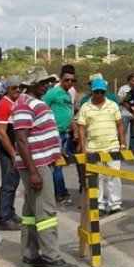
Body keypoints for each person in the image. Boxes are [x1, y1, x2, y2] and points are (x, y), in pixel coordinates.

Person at [12, 66, 79, 267]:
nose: (46, 85)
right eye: (41, 82)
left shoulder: (35, 102)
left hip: (42, 162)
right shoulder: (24, 104)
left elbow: (42, 132)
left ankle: (30, 255)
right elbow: (21, 139)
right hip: (37, 165)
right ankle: (52, 258)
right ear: (31, 84)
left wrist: (57, 150)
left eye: (47, 82)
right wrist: (33, 172)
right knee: (47, 211)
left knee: (32, 212)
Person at [77, 77, 126, 215]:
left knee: (114, 176)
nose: (99, 95)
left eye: (101, 92)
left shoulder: (112, 105)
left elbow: (119, 124)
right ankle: (99, 204)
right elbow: (81, 127)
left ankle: (114, 203)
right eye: (96, 92)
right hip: (93, 146)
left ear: (105, 92)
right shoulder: (85, 107)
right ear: (92, 92)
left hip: (112, 145)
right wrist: (82, 146)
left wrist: (122, 143)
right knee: (96, 177)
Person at [42, 64, 75, 206]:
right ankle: (61, 193)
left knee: (59, 165)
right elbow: (42, 108)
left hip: (65, 133)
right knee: (57, 165)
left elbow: (69, 112)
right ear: (61, 79)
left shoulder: (67, 94)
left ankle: (56, 191)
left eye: (71, 80)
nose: (69, 83)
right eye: (66, 80)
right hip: (55, 134)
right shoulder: (53, 93)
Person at [0, 75, 22, 231]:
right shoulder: (4, 105)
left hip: (15, 150)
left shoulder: (16, 102)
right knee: (8, 184)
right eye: (14, 87)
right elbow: (2, 133)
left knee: (13, 182)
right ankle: (4, 219)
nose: (17, 90)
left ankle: (10, 213)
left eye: (19, 87)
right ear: (7, 89)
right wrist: (13, 154)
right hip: (7, 151)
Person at [117, 72, 134, 149]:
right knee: (122, 132)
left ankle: (132, 150)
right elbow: (120, 100)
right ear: (129, 80)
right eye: (132, 80)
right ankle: (121, 147)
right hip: (125, 114)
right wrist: (129, 107)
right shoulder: (123, 88)